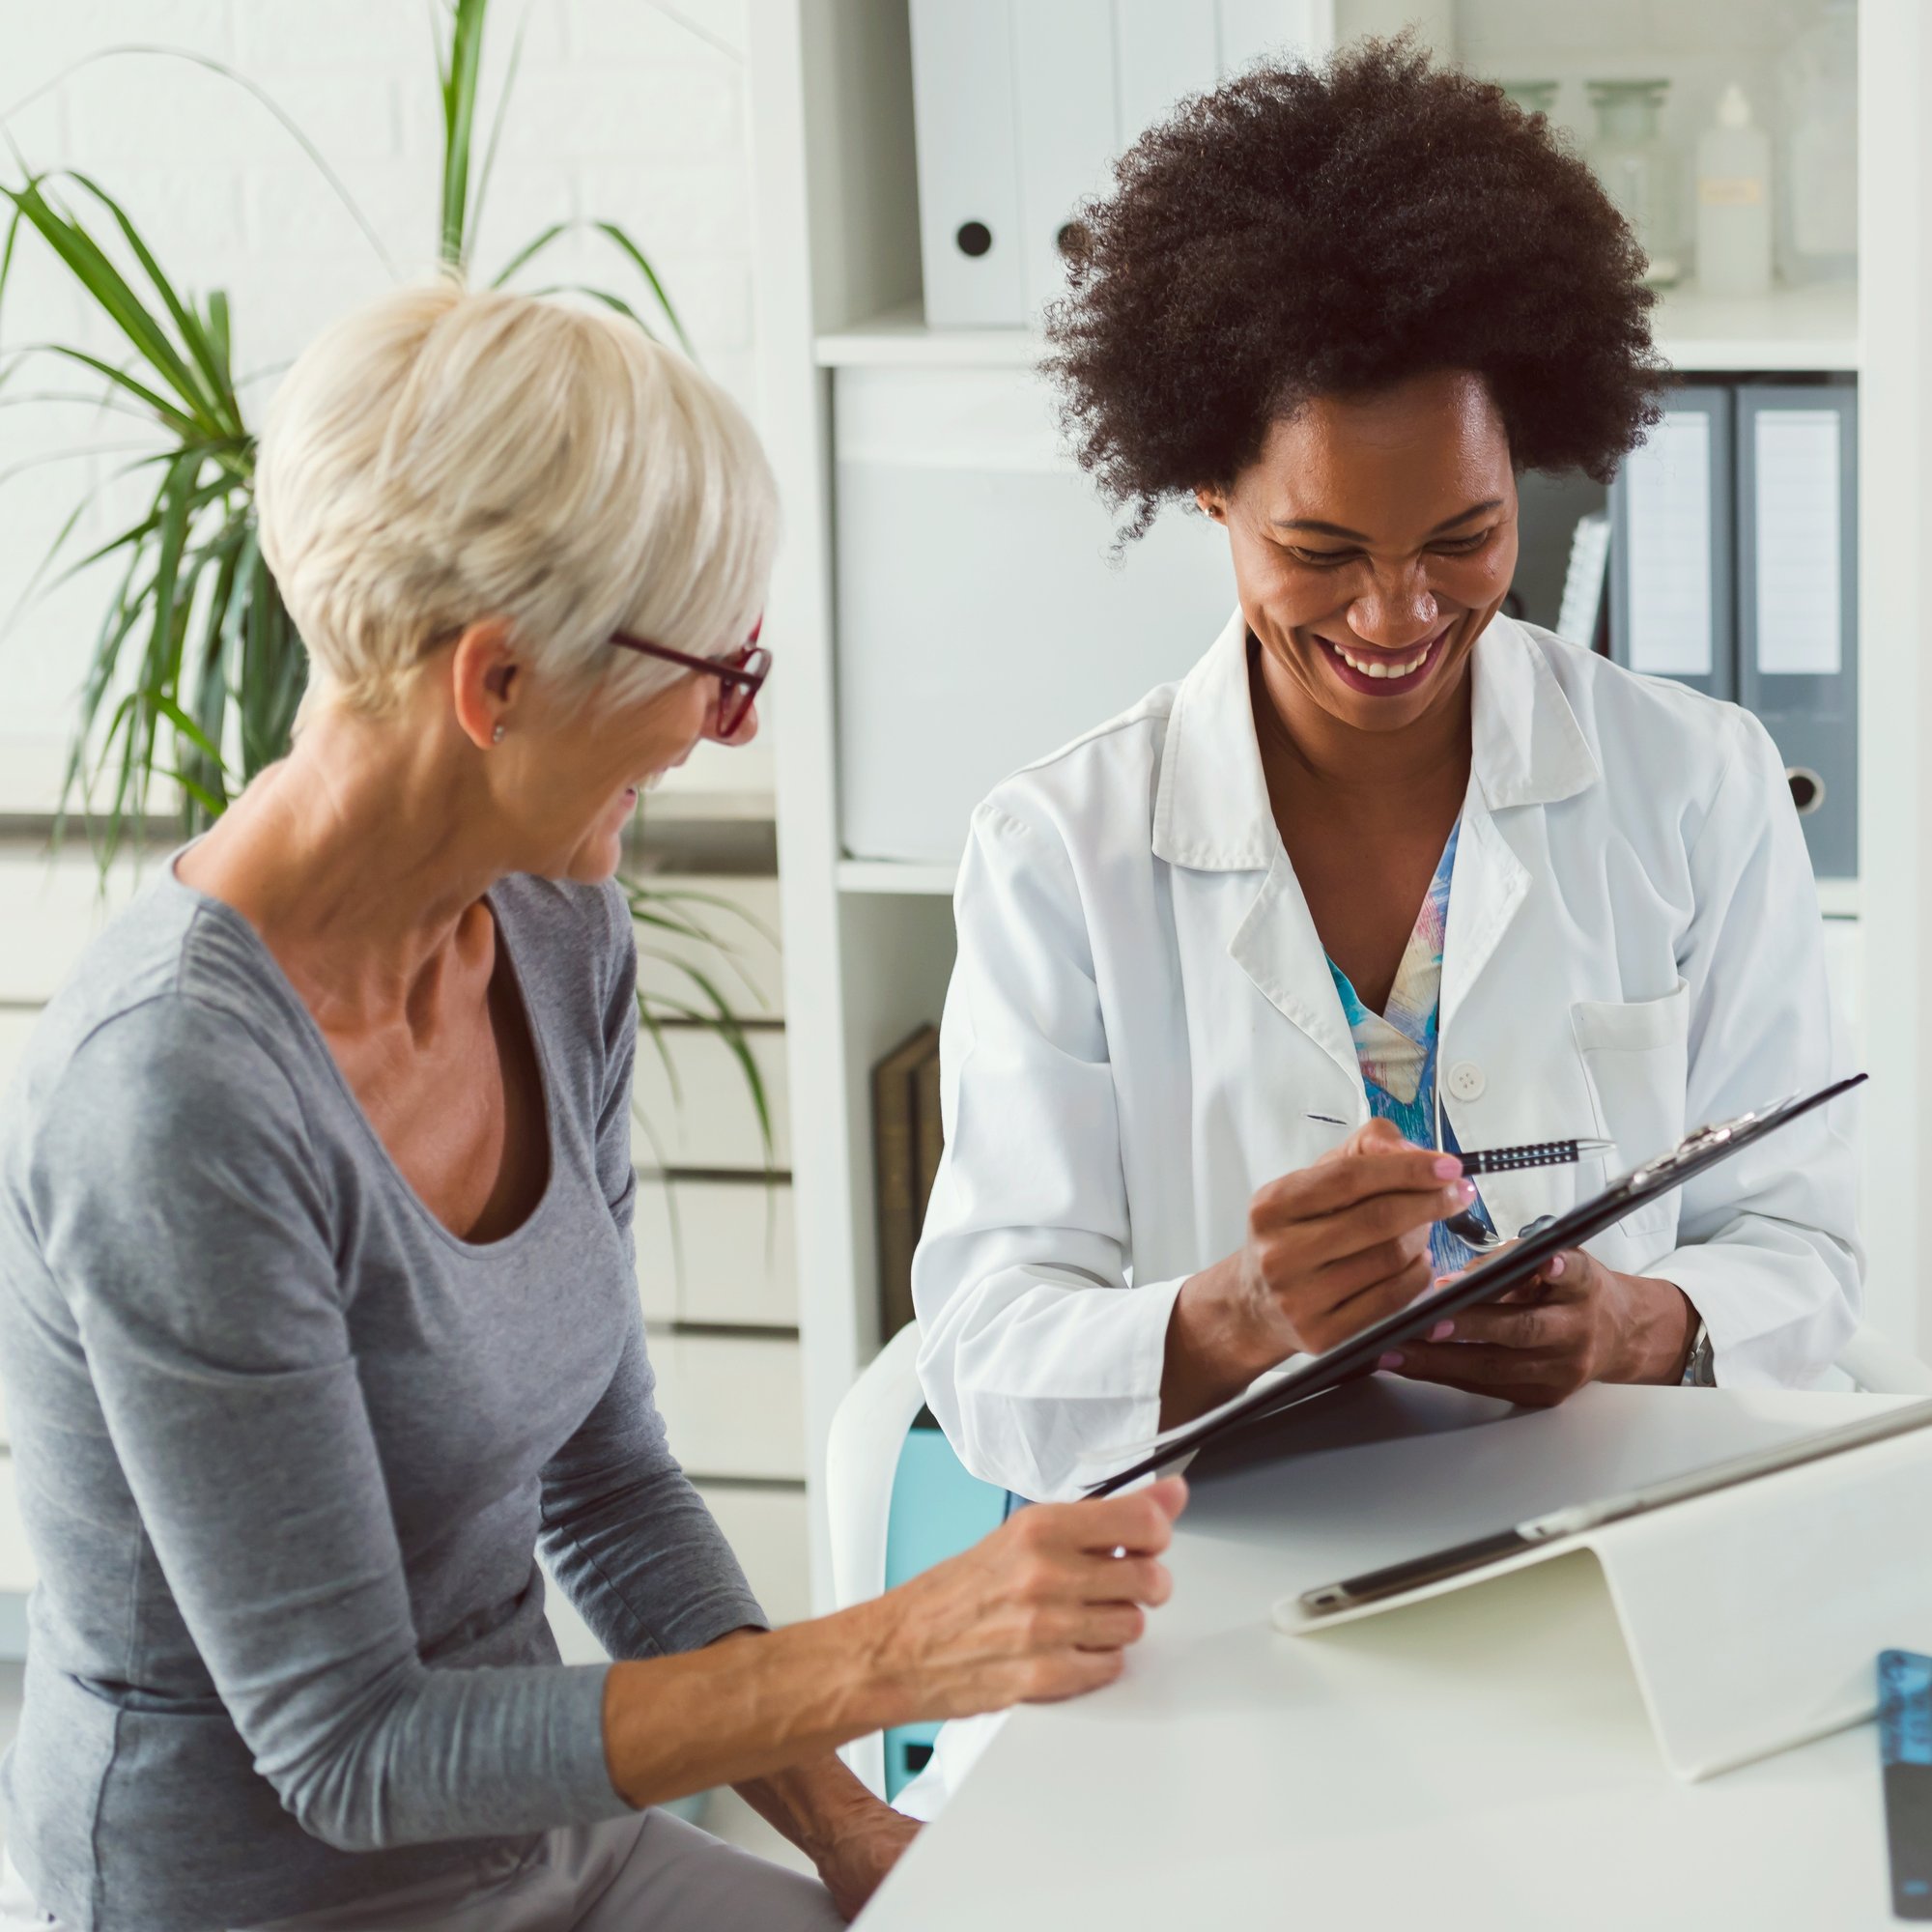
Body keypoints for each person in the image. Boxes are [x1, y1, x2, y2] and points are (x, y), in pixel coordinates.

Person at [0, 279, 1187, 1932]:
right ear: (495, 686)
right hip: (266, 1895)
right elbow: (349, 1752)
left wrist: (849, 1836)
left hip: (545, 1833)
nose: (731, 724)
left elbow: (609, 1485)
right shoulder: (171, 1097)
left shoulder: (554, 928)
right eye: (718, 671)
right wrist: (882, 1658)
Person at [913, 41, 1861, 1511]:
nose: (1397, 616)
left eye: (1463, 539)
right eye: (1323, 553)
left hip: (1619, 1549)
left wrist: (1637, 1325)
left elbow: (1812, 1259)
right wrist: (1236, 1315)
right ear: (1208, 485)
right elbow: (982, 1355)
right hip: (1222, 1578)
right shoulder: (1061, 848)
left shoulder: (1699, 786)